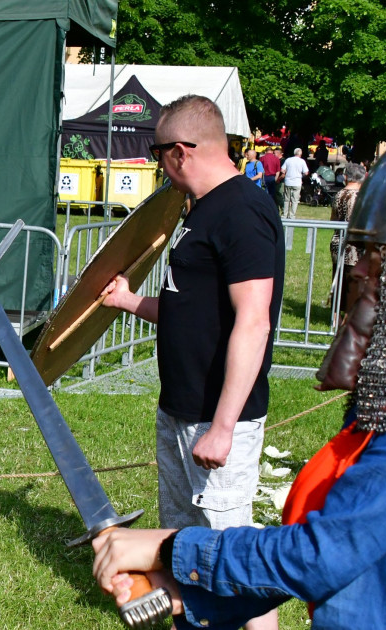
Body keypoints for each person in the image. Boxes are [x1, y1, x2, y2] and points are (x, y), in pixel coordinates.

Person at [92, 115, 386, 630]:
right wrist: (186, 593)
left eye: (377, 255)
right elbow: (346, 565)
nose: (359, 270)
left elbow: (322, 553)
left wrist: (170, 549)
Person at [98, 94, 283, 630]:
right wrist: (130, 301)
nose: (159, 166)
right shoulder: (199, 211)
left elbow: (254, 320)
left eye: (158, 154)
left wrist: (223, 427)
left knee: (233, 553)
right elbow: (189, 310)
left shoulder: (244, 211)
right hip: (180, 408)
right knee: (184, 545)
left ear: (179, 152)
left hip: (216, 417)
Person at [326, 163, 365, 315]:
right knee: (352, 283)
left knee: (338, 278)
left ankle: (335, 317)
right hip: (354, 245)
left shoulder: (339, 194)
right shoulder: (359, 196)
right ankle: (348, 316)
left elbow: (333, 219)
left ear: (346, 176)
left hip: (337, 240)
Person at [280, 147, 308, 220]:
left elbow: (282, 170)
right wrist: (301, 176)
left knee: (286, 199)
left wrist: (287, 173)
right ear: (300, 154)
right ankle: (292, 215)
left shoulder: (288, 160)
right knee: (295, 200)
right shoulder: (302, 161)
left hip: (288, 181)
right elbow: (306, 172)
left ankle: (285, 214)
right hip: (297, 182)